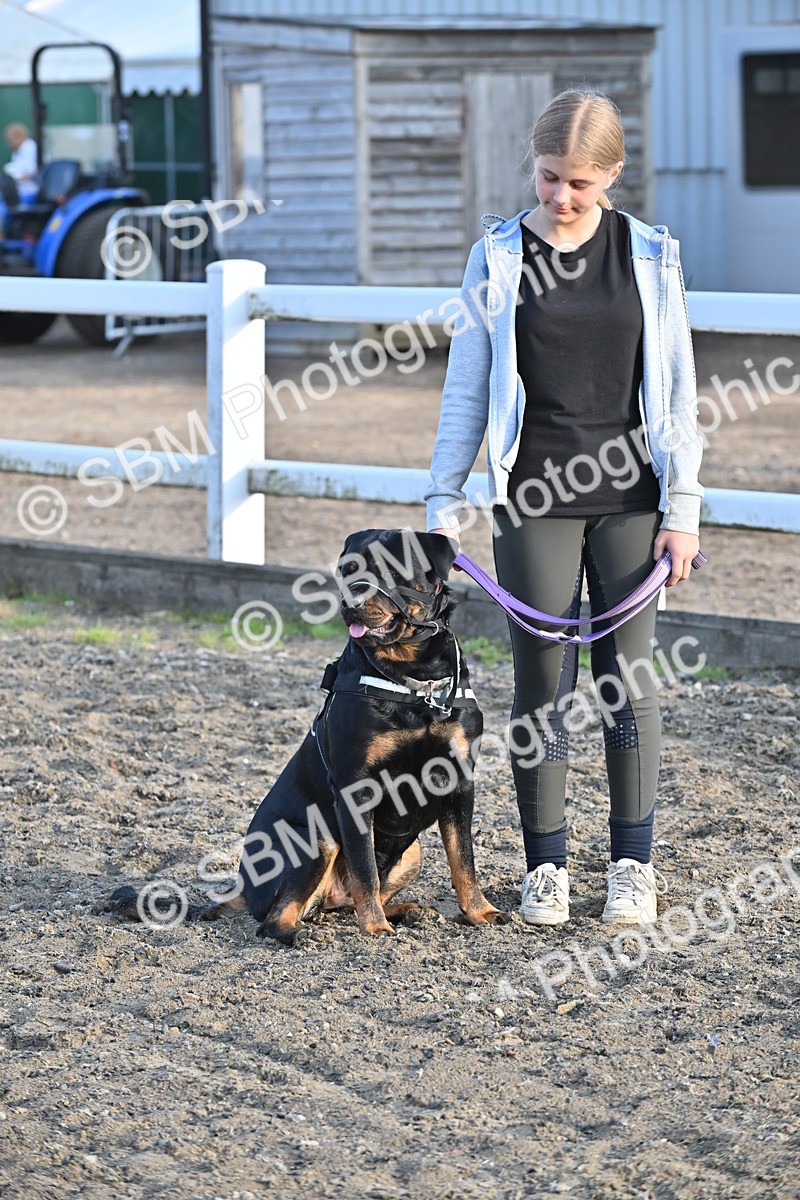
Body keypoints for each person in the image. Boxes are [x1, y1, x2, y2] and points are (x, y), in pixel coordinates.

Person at [425, 89, 703, 928]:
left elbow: (681, 392)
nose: (561, 198)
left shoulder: (650, 256)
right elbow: (466, 387)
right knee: (542, 687)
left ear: (612, 174)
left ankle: (631, 865)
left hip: (632, 501)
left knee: (627, 685)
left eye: (580, 182)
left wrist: (682, 506)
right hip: (533, 500)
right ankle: (546, 869)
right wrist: (444, 497)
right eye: (549, 178)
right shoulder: (497, 258)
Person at [3, 123, 39, 204]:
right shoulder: (16, 153)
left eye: (9, 140)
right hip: (18, 191)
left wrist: (13, 177)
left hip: (31, 191)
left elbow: (30, 172)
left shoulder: (31, 147)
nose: (8, 143)